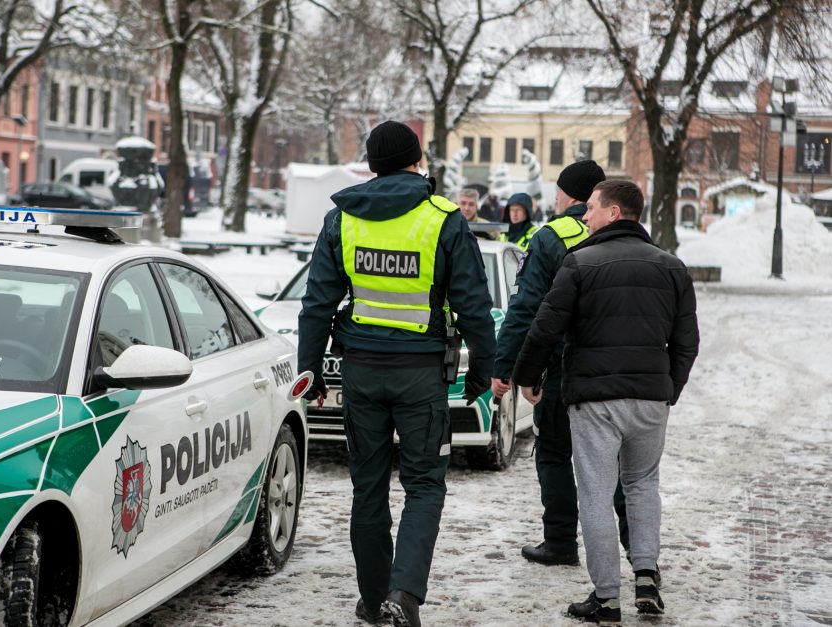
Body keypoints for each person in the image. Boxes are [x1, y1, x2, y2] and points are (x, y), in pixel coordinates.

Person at [298, 120, 495, 627]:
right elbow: (474, 305)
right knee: (425, 485)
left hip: (361, 371)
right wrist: (480, 375)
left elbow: (317, 303)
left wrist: (311, 369)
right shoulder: (443, 219)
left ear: (372, 163)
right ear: (416, 160)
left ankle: (371, 598)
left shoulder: (343, 218)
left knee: (368, 487)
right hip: (420, 375)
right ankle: (403, 595)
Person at [513, 180, 699, 623]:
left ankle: (607, 597)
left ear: (614, 212)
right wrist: (667, 387)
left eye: (592, 208)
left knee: (596, 493)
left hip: (595, 400)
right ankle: (647, 576)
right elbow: (687, 342)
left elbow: (545, 327)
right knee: (642, 486)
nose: (585, 215)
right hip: (651, 399)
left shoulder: (580, 263)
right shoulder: (672, 267)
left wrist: (526, 375)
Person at [491, 159, 624, 567]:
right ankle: (638, 552)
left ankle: (561, 541)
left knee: (553, 452)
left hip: (564, 368)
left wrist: (506, 365)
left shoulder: (551, 237)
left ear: (569, 195)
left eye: (558, 192)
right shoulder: (627, 233)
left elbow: (527, 308)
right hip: (617, 370)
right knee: (616, 463)